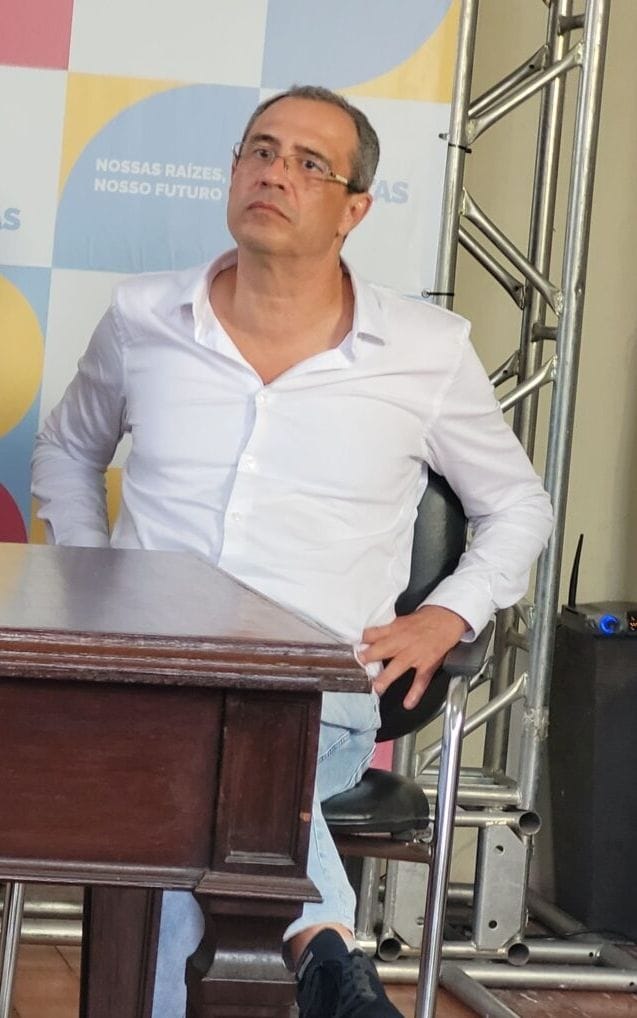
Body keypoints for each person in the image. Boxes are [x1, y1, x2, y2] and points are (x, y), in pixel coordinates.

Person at [32, 85, 553, 1018]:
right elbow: (68, 451)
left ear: (355, 209)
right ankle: (328, 954)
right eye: (260, 150)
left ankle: (314, 955)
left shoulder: (425, 351)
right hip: (155, 679)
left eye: (311, 164)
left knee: (194, 787)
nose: (275, 172)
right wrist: (90, 567)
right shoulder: (144, 317)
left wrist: (447, 613)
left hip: (317, 695)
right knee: (190, 772)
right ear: (234, 171)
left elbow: (517, 504)